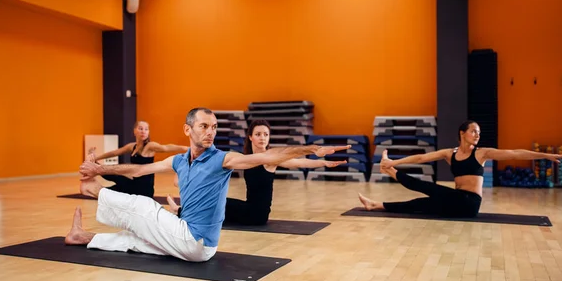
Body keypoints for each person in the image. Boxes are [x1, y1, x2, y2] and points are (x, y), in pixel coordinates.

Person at [66, 108, 350, 262]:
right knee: (138, 242)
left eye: (214, 127)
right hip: (189, 241)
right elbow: (139, 169)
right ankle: (84, 237)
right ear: (188, 129)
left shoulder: (223, 160)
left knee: (143, 206)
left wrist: (309, 149)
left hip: (196, 241)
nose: (211, 132)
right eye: (204, 126)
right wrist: (100, 167)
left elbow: (270, 155)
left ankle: (93, 190)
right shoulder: (178, 160)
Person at [358, 120, 562, 218]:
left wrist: (545, 155)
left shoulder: (482, 153)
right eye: (474, 131)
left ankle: (390, 171)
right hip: (456, 202)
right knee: (420, 203)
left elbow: (514, 153)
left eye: (479, 132)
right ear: (462, 133)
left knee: (428, 187)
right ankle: (376, 205)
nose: (477, 135)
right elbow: (422, 157)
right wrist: (396, 161)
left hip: (470, 204)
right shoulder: (450, 154)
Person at [165, 119, 347, 225]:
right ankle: (185, 211)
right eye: (258, 134)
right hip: (248, 208)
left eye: (266, 135)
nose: (262, 138)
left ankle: (181, 212)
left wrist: (324, 162)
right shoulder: (244, 158)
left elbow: (299, 162)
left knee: (216, 204)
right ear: (250, 137)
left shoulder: (271, 160)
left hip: (257, 214)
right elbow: (214, 164)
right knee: (217, 201)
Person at [88, 120, 188, 198]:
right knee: (113, 178)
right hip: (134, 184)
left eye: (146, 129)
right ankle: (95, 174)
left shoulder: (150, 146)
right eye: (140, 128)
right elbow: (114, 153)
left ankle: (95, 183)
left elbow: (167, 147)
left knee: (114, 183)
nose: (143, 131)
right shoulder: (132, 146)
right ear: (134, 131)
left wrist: (189, 149)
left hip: (144, 189)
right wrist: (96, 157)